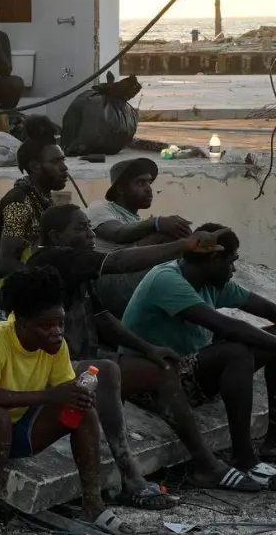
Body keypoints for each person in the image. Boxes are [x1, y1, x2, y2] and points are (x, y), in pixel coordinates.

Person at [31, 205, 250, 498]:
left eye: (88, 226)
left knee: (157, 369)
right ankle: (134, 477)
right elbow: (120, 261)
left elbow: (100, 317)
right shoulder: (52, 259)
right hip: (51, 368)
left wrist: (148, 348)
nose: (90, 233)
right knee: (112, 373)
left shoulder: (73, 270)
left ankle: (207, 464)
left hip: (78, 362)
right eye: (81, 228)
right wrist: (183, 244)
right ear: (57, 235)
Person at [0, 266, 117, 535]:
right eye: (46, 326)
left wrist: (76, 398)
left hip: (12, 428)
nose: (56, 332)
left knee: (84, 414)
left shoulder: (57, 346)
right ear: (21, 323)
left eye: (60, 323)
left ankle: (93, 504)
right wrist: (50, 395)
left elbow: (62, 394)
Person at [121, 224, 276, 483]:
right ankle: (245, 458)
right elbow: (224, 325)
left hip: (189, 371)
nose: (234, 269)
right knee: (237, 351)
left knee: (268, 339)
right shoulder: (167, 279)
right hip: (153, 380)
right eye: (231, 261)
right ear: (215, 259)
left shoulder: (213, 281)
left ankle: (272, 443)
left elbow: (267, 308)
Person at [86, 157, 192, 315]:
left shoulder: (140, 222)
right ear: (121, 188)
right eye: (140, 183)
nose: (149, 189)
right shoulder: (100, 208)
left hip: (132, 281)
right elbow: (118, 233)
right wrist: (156, 223)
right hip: (105, 282)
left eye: (149, 183)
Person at [0, 136, 68, 308]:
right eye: (56, 162)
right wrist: (50, 281)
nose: (64, 168)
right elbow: (7, 264)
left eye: (63, 160)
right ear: (35, 166)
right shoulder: (18, 203)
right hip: (0, 286)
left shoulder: (43, 197)